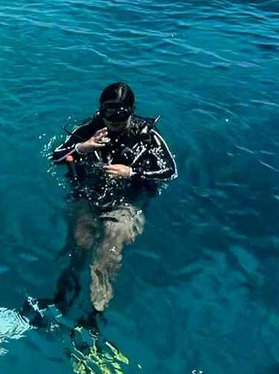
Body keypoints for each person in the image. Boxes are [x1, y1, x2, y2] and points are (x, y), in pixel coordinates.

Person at [29, 82, 175, 332]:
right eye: (109, 114)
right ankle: (62, 297)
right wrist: (81, 147)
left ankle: (94, 314)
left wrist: (132, 172)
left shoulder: (147, 137)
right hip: (90, 195)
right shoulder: (89, 129)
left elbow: (170, 171)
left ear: (131, 110)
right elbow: (55, 157)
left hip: (126, 201)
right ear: (100, 111)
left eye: (121, 114)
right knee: (80, 241)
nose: (114, 120)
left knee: (110, 244)